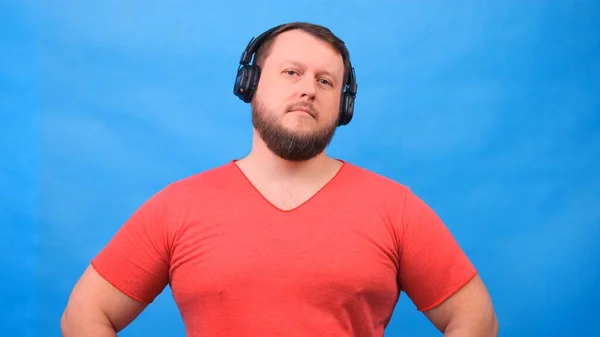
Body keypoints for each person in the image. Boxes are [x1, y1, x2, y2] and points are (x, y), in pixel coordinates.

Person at [61, 22, 498, 336]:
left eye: (326, 81)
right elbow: (86, 314)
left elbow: (476, 318)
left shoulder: (396, 208)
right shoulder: (177, 207)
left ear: (342, 107)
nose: (308, 88)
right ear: (250, 83)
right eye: (292, 72)